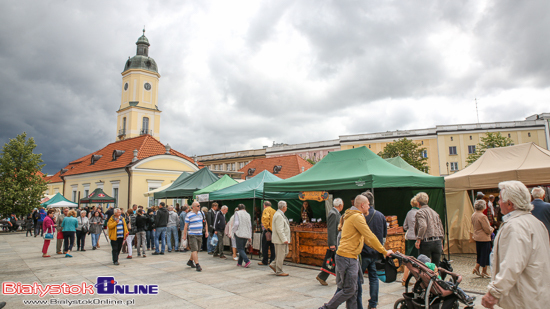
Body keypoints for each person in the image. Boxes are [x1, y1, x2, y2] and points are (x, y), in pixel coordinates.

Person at [481, 181, 550, 309]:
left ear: (509, 203)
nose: (498, 202)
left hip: (523, 298)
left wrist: (494, 292)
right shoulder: (535, 222)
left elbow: (512, 263)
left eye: (500, 199)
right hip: (537, 294)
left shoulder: (515, 226)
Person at [319, 195, 393, 309]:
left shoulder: (352, 215)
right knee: (349, 289)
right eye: (368, 204)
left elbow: (365, 239)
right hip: (346, 257)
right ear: (362, 205)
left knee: (354, 289)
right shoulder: (357, 217)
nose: (369, 206)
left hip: (351, 257)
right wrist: (384, 251)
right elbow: (370, 236)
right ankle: (326, 308)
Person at [357, 191, 387, 309]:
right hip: (376, 253)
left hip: (363, 253)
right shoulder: (380, 215)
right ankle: (373, 304)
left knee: (358, 279)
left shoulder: (361, 215)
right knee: (374, 279)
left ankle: (357, 303)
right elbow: (384, 236)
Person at [316, 197, 343, 286]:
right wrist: (332, 244)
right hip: (335, 242)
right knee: (334, 260)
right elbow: (331, 230)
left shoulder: (336, 213)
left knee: (335, 260)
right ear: (340, 205)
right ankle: (322, 276)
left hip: (336, 241)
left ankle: (323, 277)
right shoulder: (333, 214)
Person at [414, 192, 444, 266]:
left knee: (424, 266)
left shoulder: (420, 212)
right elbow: (441, 227)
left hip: (426, 242)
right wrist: (441, 241)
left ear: (418, 203)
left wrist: (418, 239)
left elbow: (423, 225)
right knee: (436, 267)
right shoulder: (435, 212)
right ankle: (437, 277)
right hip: (437, 241)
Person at [471, 199, 493, 278]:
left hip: (477, 237)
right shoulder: (483, 216)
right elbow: (487, 229)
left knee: (480, 254)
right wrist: (491, 230)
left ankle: (483, 271)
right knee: (485, 255)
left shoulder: (473, 215)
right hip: (484, 238)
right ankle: (478, 268)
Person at [183, 201, 208, 272]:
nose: (199, 207)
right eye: (198, 206)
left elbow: (205, 223)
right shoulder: (189, 215)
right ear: (193, 207)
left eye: (199, 205)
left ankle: (190, 261)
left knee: (197, 249)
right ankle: (197, 265)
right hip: (192, 234)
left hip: (199, 234)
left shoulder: (202, 213)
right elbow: (186, 226)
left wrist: (206, 231)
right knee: (194, 249)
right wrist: (184, 235)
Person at [270, 201, 291, 276]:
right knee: (281, 255)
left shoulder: (279, 214)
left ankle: (273, 264)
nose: (286, 207)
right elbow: (279, 229)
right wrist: (284, 239)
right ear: (283, 207)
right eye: (286, 206)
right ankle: (279, 270)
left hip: (280, 239)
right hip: (280, 240)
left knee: (284, 253)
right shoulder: (279, 215)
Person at [402, 196, 420, 286]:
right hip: (417, 239)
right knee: (417, 260)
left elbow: (405, 226)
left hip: (409, 239)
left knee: (408, 259)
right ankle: (418, 280)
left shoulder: (409, 213)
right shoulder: (420, 213)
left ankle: (404, 279)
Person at [259, 201, 276, 266]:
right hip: (273, 230)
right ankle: (272, 260)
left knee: (265, 246)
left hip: (268, 230)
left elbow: (266, 218)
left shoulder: (266, 210)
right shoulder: (274, 210)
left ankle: (265, 261)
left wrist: (265, 227)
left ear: (264, 205)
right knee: (272, 246)